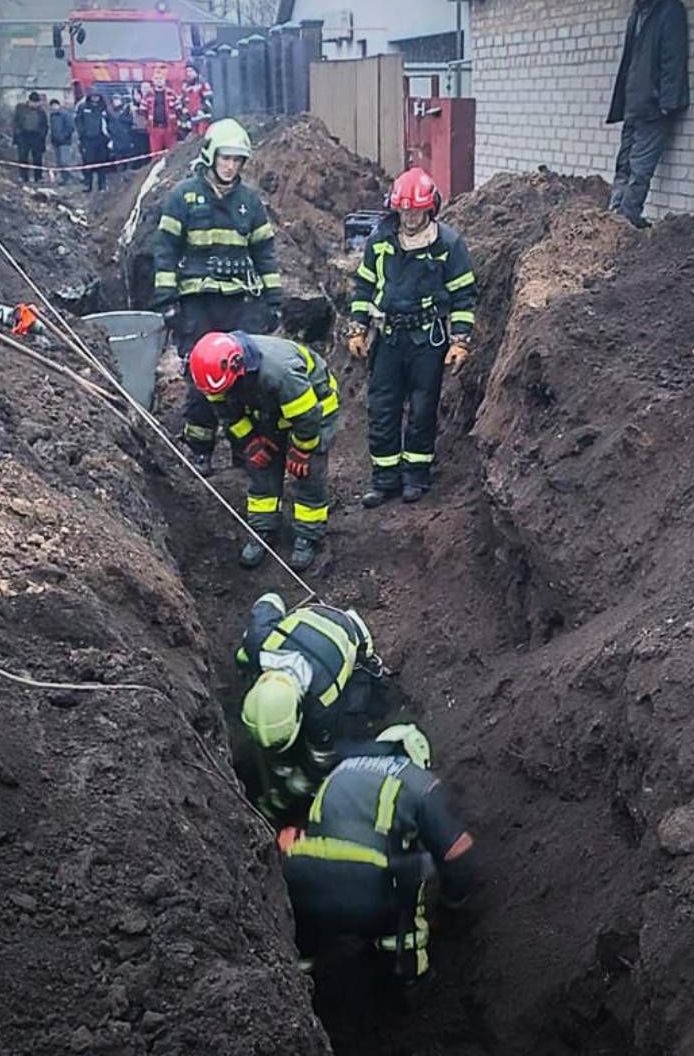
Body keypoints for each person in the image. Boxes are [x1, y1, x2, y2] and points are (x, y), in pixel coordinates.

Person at [277, 724, 479, 984]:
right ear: (418, 759)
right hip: (371, 890)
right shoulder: (420, 782)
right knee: (409, 879)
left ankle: (293, 983)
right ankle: (410, 979)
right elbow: (456, 850)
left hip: (302, 879)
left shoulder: (340, 770)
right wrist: (452, 903)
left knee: (301, 941)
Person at [150, 118, 284, 474]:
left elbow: (264, 253)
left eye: (237, 160)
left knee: (244, 375)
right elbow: (164, 249)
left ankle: (244, 448)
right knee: (200, 374)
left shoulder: (249, 202)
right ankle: (200, 448)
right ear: (211, 156)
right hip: (198, 302)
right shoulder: (183, 196)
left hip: (240, 301)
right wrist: (167, 301)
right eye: (225, 158)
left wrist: (273, 301)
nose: (230, 166)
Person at [347, 167, 478, 507]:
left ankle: (416, 477)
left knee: (422, 410)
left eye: (416, 211)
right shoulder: (380, 242)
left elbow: (463, 294)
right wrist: (358, 328)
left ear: (429, 208)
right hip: (388, 338)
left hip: (427, 341)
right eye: (403, 210)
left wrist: (460, 339)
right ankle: (384, 479)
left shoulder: (448, 244)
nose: (409, 217)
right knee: (383, 408)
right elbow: (363, 286)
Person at [187, 329, 341, 569]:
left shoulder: (279, 371)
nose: (220, 395)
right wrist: (250, 441)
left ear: (238, 368)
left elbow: (307, 417)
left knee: (306, 471)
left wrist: (301, 449)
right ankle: (262, 528)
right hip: (269, 410)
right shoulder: (214, 380)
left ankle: (308, 535)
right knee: (261, 465)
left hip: (313, 410)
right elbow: (228, 414)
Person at [235, 590, 390, 823]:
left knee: (352, 724)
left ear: (299, 714)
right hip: (308, 619)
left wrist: (282, 798)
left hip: (352, 633)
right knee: (243, 657)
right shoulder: (258, 643)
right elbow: (270, 599)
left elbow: (319, 762)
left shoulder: (323, 701)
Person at [605, 0, 688, 230]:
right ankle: (613, 217)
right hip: (634, 103)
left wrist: (667, 102)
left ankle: (627, 222)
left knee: (640, 168)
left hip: (654, 106)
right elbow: (630, 60)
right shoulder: (637, 12)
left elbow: (673, 57)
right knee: (624, 164)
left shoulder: (669, 9)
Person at [137, 66, 180, 156]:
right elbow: (142, 111)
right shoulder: (148, 95)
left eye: (161, 78)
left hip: (170, 129)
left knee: (172, 154)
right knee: (156, 155)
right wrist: (148, 124)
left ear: (164, 80)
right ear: (153, 81)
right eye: (156, 78)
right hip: (155, 130)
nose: (159, 80)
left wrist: (176, 123)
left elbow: (179, 110)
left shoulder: (172, 93)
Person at [74, 92, 111, 193]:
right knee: (88, 163)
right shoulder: (83, 107)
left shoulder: (103, 108)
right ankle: (88, 185)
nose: (95, 99)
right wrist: (82, 133)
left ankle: (102, 185)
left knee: (102, 163)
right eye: (93, 97)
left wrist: (108, 136)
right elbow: (78, 120)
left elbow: (109, 121)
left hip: (101, 140)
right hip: (87, 140)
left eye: (97, 97)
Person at [11, 92, 49, 185]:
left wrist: (42, 135)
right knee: (23, 157)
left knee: (37, 158)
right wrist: (18, 133)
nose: (36, 105)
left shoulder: (41, 112)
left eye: (37, 103)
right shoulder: (20, 109)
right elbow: (15, 122)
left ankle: (38, 177)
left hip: (36, 137)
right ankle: (23, 177)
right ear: (30, 101)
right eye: (34, 102)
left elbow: (45, 125)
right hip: (24, 136)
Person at [46, 98, 75, 185]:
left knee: (64, 161)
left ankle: (69, 178)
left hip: (65, 142)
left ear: (59, 105)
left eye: (55, 105)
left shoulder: (66, 115)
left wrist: (63, 136)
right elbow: (52, 129)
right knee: (59, 162)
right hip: (56, 142)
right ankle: (64, 179)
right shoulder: (52, 116)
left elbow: (70, 127)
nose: (54, 107)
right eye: (52, 106)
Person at [181, 64, 214, 139]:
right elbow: (184, 103)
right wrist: (186, 118)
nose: (189, 73)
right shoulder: (185, 86)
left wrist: (202, 110)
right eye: (187, 71)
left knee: (202, 137)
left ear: (196, 72)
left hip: (202, 117)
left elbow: (209, 99)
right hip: (192, 118)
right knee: (193, 139)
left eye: (191, 71)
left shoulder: (202, 84)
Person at [107, 96, 138, 168]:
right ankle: (121, 174)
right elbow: (108, 125)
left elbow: (131, 121)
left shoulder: (127, 110)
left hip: (127, 138)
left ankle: (129, 171)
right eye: (114, 100)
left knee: (129, 157)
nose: (116, 101)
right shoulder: (109, 113)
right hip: (116, 140)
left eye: (118, 99)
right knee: (119, 159)